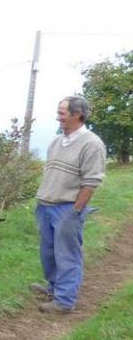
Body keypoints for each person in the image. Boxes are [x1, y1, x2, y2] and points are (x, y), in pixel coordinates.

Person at [30, 96, 106, 314]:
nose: (58, 117)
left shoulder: (92, 144)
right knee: (48, 253)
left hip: (67, 208)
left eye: (62, 113)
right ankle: (53, 289)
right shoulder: (56, 141)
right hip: (45, 206)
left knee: (67, 255)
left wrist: (76, 211)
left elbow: (91, 182)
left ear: (77, 114)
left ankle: (64, 302)